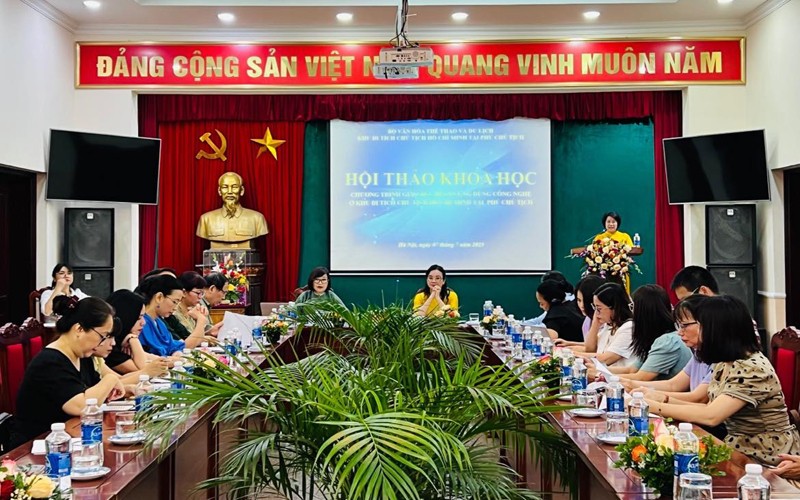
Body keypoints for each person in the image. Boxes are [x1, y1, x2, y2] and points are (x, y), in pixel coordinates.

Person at [644, 295, 800, 466]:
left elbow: (711, 416)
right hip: (738, 447)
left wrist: (652, 406)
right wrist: (661, 399)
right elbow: (709, 407)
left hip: (767, 456)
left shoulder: (752, 367)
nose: (682, 332)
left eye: (700, 327)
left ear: (718, 329)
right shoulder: (725, 362)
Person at [10, 296, 125, 448]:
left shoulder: (82, 356)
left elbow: (95, 393)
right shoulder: (50, 362)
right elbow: (81, 406)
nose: (102, 343)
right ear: (79, 329)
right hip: (38, 447)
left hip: (70, 439)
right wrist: (110, 379)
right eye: (102, 336)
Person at [594, 285, 691, 381]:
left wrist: (601, 376)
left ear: (643, 313)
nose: (632, 312)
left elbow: (641, 377)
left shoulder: (667, 341)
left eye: (632, 307)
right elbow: (631, 370)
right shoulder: (654, 339)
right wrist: (598, 370)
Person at [138, 275, 207, 356]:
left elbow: (175, 347)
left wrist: (176, 353)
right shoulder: (142, 323)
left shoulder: (159, 323)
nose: (175, 308)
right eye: (174, 302)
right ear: (159, 297)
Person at [196, 171, 268, 249]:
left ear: (242, 190)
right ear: (219, 191)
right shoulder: (206, 219)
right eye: (225, 187)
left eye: (234, 187)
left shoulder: (257, 219)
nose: (230, 192)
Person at [105, 289, 170, 374]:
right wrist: (134, 340)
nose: (143, 322)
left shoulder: (124, 340)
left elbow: (159, 360)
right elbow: (145, 371)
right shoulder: (109, 347)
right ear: (126, 317)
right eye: (139, 318)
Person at [574, 282, 635, 367]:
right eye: (594, 308)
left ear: (614, 308)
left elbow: (606, 359)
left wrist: (572, 355)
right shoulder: (609, 325)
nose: (596, 313)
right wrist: (595, 324)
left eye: (599, 308)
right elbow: (590, 349)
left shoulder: (629, 328)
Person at [167, 271, 222, 338]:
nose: (200, 297)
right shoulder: (173, 312)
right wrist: (200, 319)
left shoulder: (193, 310)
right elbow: (186, 339)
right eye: (198, 293)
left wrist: (209, 332)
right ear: (184, 292)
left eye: (202, 293)